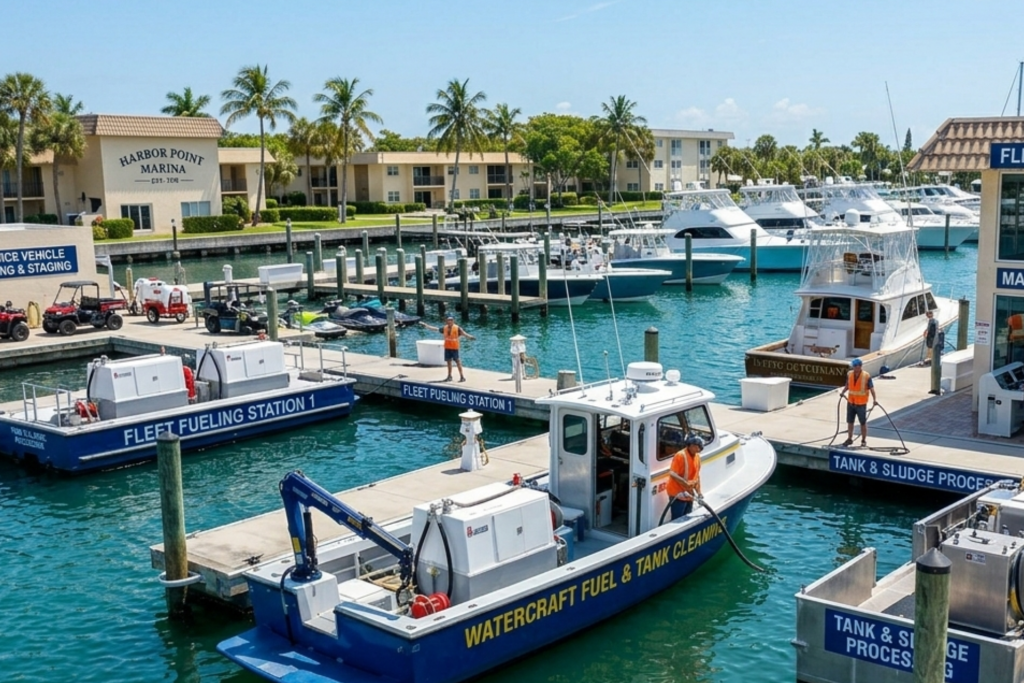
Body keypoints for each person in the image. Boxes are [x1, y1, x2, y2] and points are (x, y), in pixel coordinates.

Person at [422, 315, 475, 382]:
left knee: (458, 362)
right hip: (447, 348)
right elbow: (436, 329)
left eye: (451, 320)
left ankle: (462, 376)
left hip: (454, 348)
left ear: (453, 321)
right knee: (449, 362)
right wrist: (427, 326)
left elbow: (464, 334)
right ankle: (449, 376)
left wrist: (470, 337)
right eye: (448, 320)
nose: (449, 322)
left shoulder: (457, 328)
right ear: (446, 321)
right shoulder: (445, 328)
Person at [839, 358, 877, 447]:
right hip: (851, 402)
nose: (854, 368)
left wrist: (875, 400)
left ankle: (863, 440)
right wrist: (843, 392)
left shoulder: (866, 376)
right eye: (853, 366)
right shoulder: (850, 374)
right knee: (850, 421)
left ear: (860, 366)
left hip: (861, 404)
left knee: (862, 422)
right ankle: (849, 439)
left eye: (856, 366)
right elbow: (847, 386)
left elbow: (872, 389)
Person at [667, 434, 703, 519]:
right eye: (697, 447)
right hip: (678, 494)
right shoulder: (680, 456)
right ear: (691, 446)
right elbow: (673, 474)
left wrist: (699, 492)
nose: (699, 449)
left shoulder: (697, 456)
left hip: (689, 495)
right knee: (677, 519)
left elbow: (697, 476)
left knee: (687, 517)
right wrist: (685, 484)